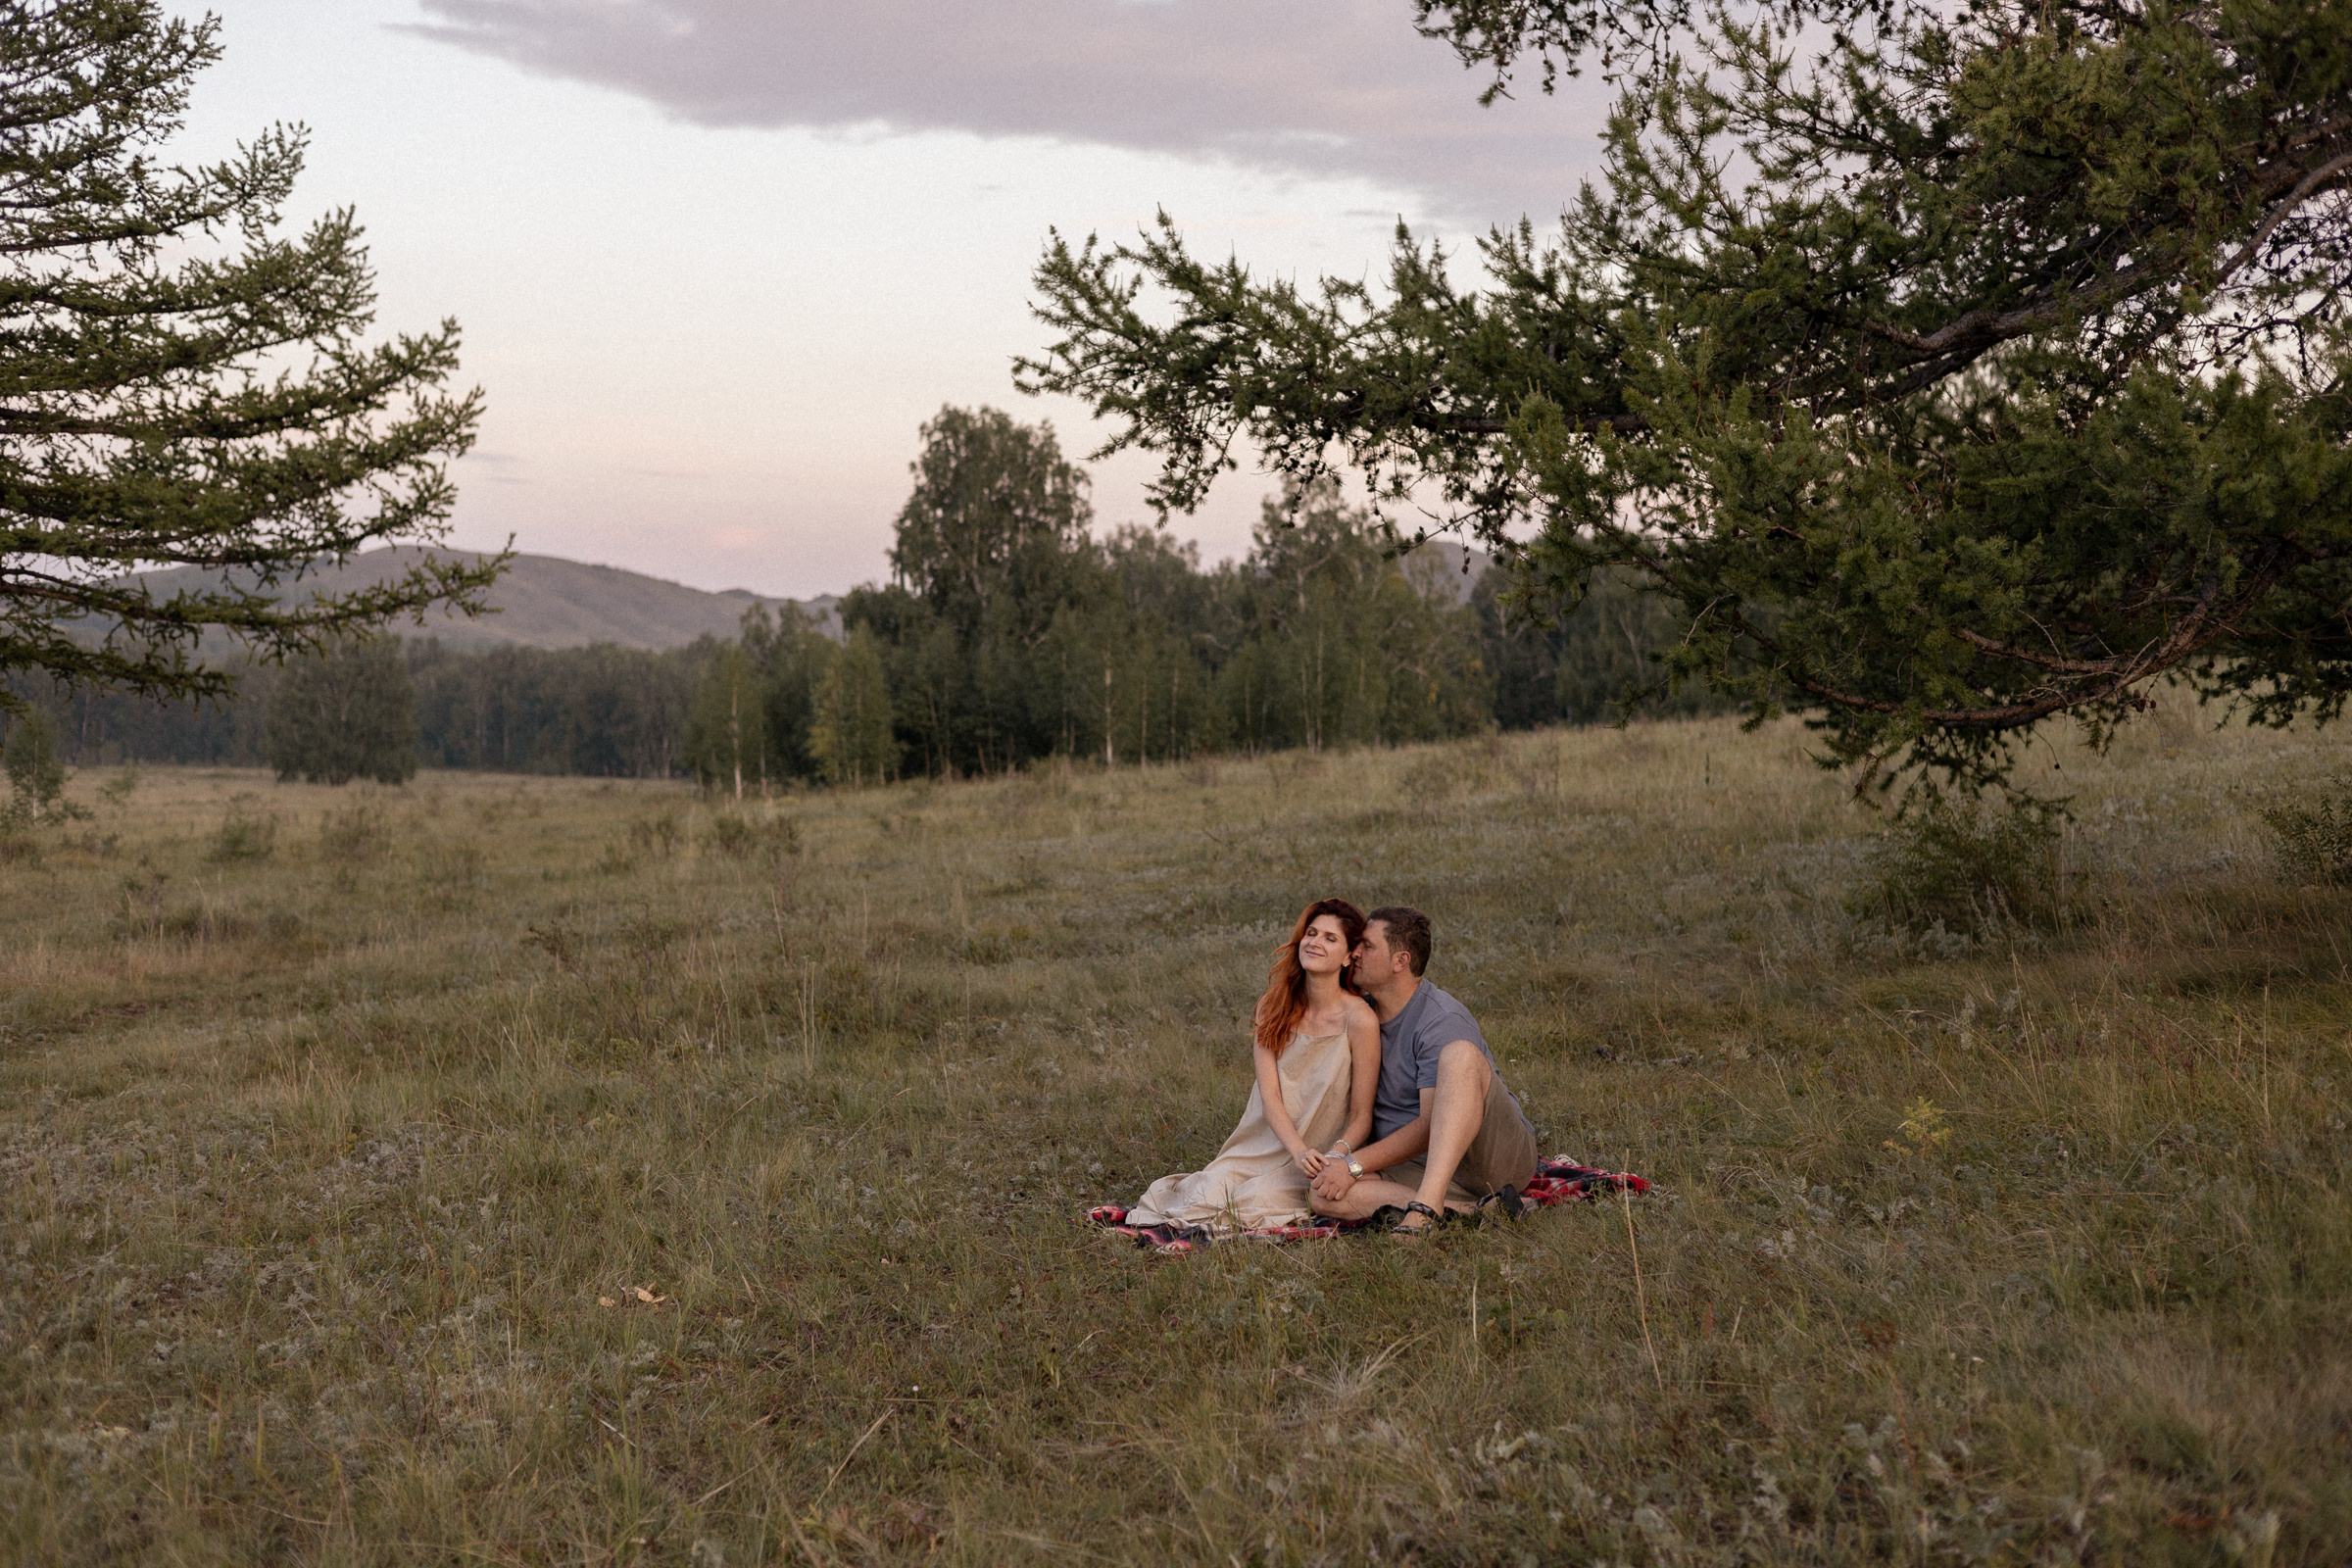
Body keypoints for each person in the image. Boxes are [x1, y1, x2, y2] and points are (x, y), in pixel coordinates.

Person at [1122, 899, 1383, 1235]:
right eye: (1312, 933)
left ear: (1349, 956)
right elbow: (1270, 1097)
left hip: (1324, 1154)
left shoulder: (1359, 1019)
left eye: (1330, 938)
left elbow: (1363, 1116)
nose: (1315, 942)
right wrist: (1298, 1150)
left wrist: (1333, 1159)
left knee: (1249, 1203)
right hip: (1264, 1144)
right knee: (1201, 1195)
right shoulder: (1272, 1007)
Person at [1308, 906, 1538, 1236]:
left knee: (1459, 1055)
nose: (1354, 952)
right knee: (1324, 1195)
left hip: (1489, 1160)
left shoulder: (1441, 1019)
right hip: (1417, 1165)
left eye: (1368, 946)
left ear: (1400, 961)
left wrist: (1353, 1164)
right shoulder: (1361, 1014)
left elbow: (1430, 1125)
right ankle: (1476, 1210)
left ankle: (1425, 1211)